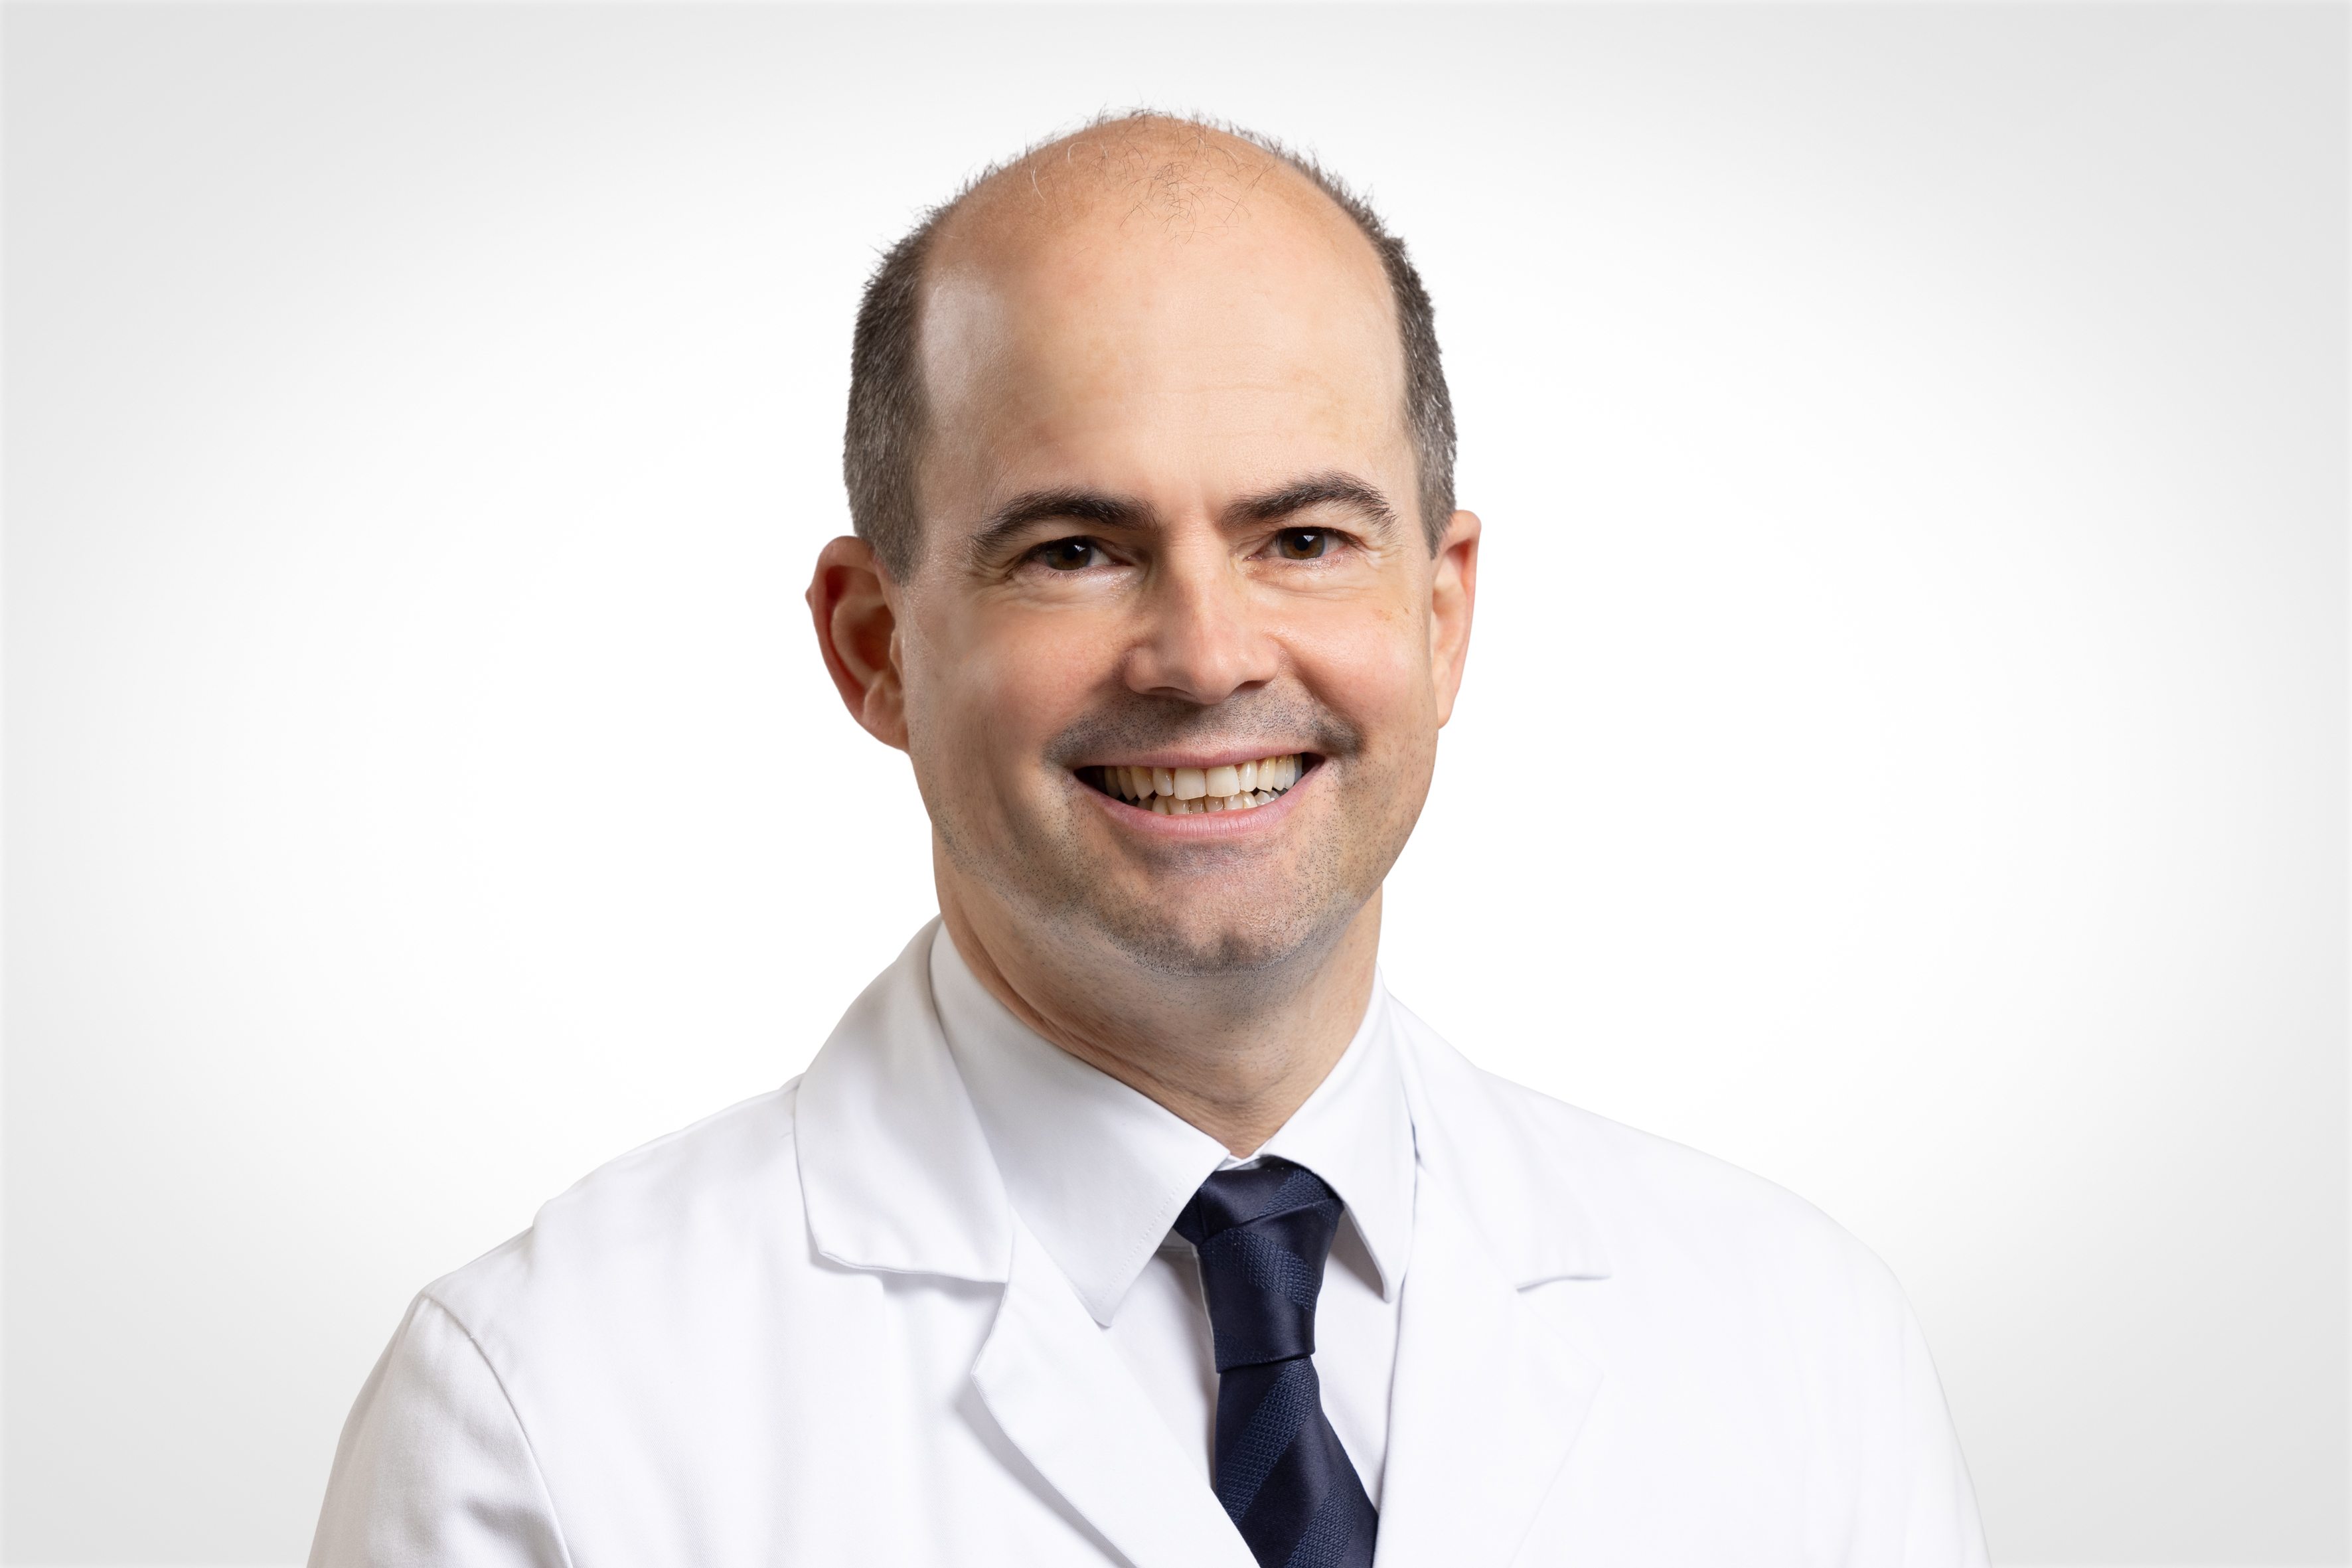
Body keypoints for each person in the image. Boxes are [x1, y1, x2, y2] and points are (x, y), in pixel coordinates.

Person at [309, 114, 1988, 1568]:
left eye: (1302, 537)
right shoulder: (549, 1403)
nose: (1204, 654)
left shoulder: (1793, 1338)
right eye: (1073, 550)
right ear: (874, 644)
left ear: (1441, 613)